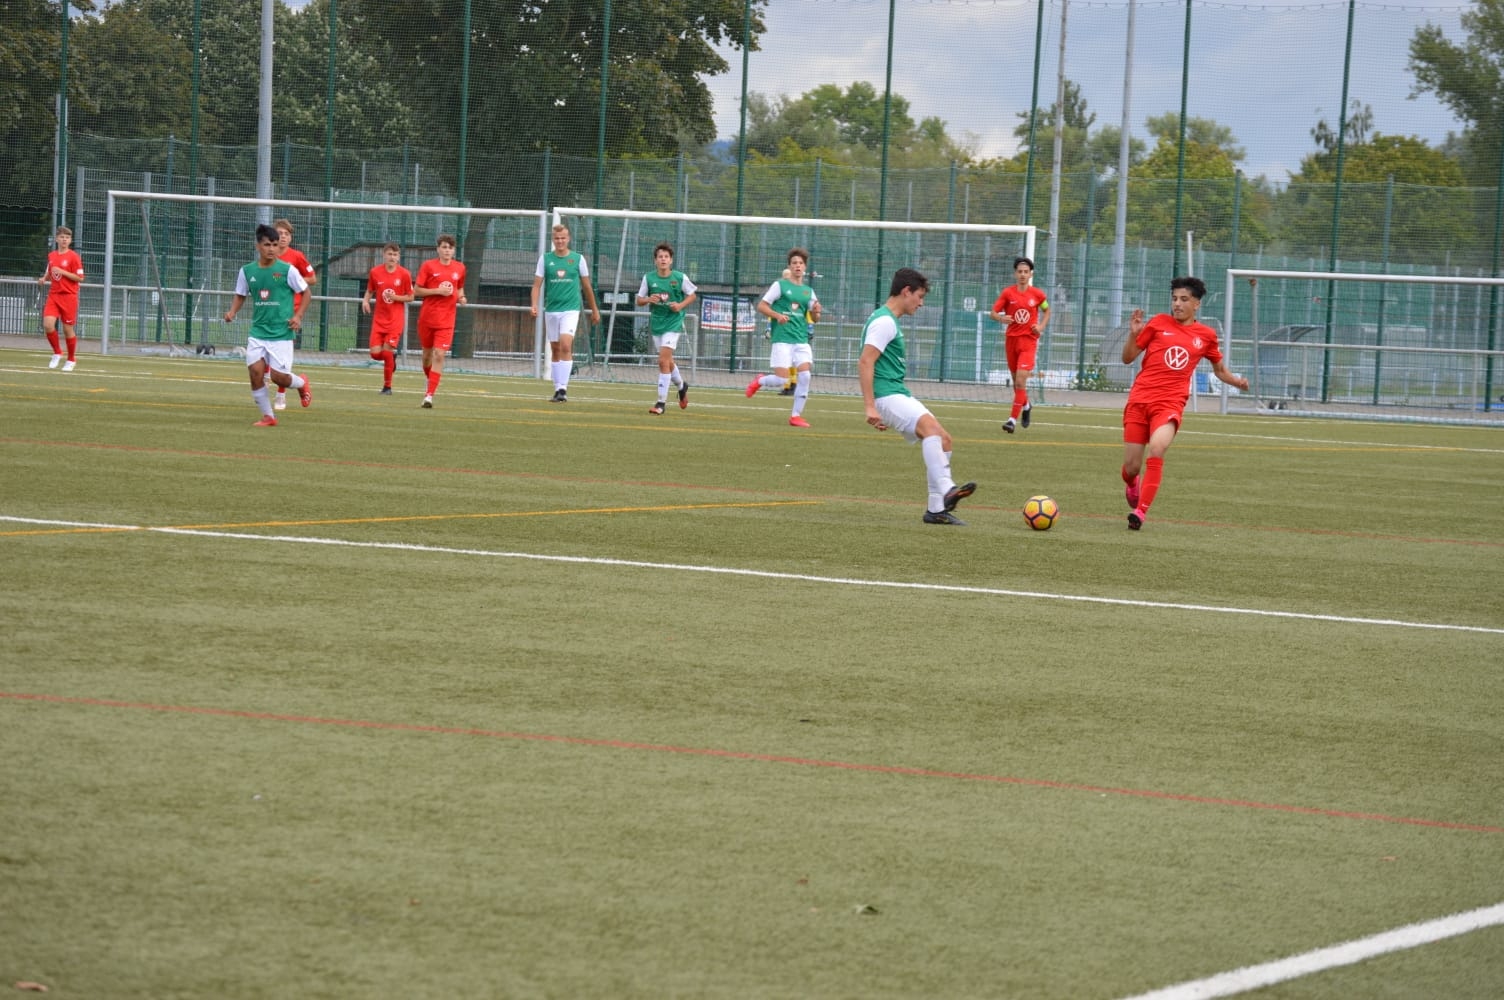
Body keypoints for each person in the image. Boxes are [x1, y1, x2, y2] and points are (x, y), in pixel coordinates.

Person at [1120, 275, 1249, 530]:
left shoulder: (1206, 335)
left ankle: (1140, 512)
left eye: (1184, 299)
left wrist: (1237, 382)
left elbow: (1220, 370)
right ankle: (1132, 483)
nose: (1177, 304)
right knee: (1132, 467)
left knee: (1158, 448)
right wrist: (1133, 335)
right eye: (1174, 299)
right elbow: (1128, 357)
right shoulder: (1158, 323)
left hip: (1170, 403)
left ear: (1197, 304)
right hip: (1140, 399)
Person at [859, 267, 977, 525]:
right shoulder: (884, 321)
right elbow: (866, 361)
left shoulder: (888, 320)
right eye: (919, 296)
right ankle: (947, 489)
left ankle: (936, 510)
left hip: (896, 392)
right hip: (886, 394)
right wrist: (870, 406)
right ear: (906, 291)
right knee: (930, 430)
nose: (921, 303)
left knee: (944, 440)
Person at [222, 224, 312, 427]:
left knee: (280, 378)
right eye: (267, 245)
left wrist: (298, 316)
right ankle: (268, 416)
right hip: (258, 332)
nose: (271, 249)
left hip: (281, 333)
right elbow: (240, 294)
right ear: (258, 246)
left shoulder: (287, 270)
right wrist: (232, 312)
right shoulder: (247, 271)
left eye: (274, 245)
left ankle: (301, 383)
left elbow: (306, 293)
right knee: (255, 373)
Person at [746, 248, 822, 427]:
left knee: (805, 376)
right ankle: (760, 380)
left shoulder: (808, 291)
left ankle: (795, 416)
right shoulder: (780, 285)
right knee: (781, 380)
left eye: (801, 263)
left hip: (801, 340)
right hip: (782, 339)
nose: (798, 266)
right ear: (789, 266)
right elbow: (762, 306)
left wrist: (816, 311)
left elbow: (815, 318)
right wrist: (777, 316)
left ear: (805, 267)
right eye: (794, 263)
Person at [530, 222, 601, 402]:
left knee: (566, 346)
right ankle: (557, 389)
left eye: (563, 238)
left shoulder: (578, 259)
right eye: (557, 238)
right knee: (555, 349)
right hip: (551, 310)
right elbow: (536, 285)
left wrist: (594, 309)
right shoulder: (545, 259)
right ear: (553, 239)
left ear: (568, 239)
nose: (560, 241)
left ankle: (563, 388)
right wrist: (534, 304)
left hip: (570, 310)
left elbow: (587, 286)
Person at [635, 242, 697, 415]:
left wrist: (680, 305)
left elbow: (692, 295)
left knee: (662, 361)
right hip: (657, 324)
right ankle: (682, 386)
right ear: (655, 260)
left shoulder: (679, 277)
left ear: (671, 260)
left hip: (673, 323)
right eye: (660, 257)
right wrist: (648, 299)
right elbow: (639, 300)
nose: (663, 259)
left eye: (666, 257)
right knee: (668, 362)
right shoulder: (649, 278)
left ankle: (661, 403)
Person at [990, 256, 1049, 433]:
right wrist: (1001, 318)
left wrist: (1041, 326)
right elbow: (993, 312)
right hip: (1011, 341)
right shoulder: (1008, 293)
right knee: (1017, 382)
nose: (1023, 274)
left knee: (1021, 380)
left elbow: (1047, 310)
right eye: (1020, 271)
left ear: (1031, 274)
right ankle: (1027, 405)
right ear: (1015, 274)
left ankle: (1011, 420)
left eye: (1026, 272)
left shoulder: (1038, 295)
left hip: (1029, 342)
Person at [413, 234, 467, 408]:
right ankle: (429, 379)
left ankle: (429, 396)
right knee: (427, 356)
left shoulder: (460, 268)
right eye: (444, 247)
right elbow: (417, 290)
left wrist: (462, 297)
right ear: (438, 249)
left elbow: (459, 287)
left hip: (446, 321)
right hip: (427, 319)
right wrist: (437, 291)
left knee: (439, 354)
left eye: (450, 248)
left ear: (454, 251)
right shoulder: (428, 266)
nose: (447, 250)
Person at [271, 219, 318, 410]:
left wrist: (292, 280)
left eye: (286, 234)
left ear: (290, 238)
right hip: (270, 310)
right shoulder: (269, 255)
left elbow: (312, 278)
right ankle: (299, 382)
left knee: (282, 357)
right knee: (266, 357)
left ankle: (280, 395)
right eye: (279, 233)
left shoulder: (296, 256)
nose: (283, 237)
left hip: (291, 311)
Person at [361, 242, 414, 395]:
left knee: (387, 351)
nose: (392, 257)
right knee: (375, 354)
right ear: (384, 255)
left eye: (395, 254)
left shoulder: (404, 274)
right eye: (390, 254)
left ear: (399, 257)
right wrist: (365, 301)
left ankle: (387, 387)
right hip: (379, 320)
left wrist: (396, 297)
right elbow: (370, 290)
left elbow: (410, 297)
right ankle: (391, 358)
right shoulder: (375, 272)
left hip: (395, 321)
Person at [38, 226, 85, 371]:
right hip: (54, 295)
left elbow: (80, 278)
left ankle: (71, 360)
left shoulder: (74, 257)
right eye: (62, 237)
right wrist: (44, 278)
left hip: (69, 296)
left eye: (67, 237)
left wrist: (63, 272)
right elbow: (50, 269)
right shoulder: (52, 255)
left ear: (70, 240)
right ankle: (57, 352)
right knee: (48, 325)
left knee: (67, 329)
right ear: (57, 239)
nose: (64, 240)